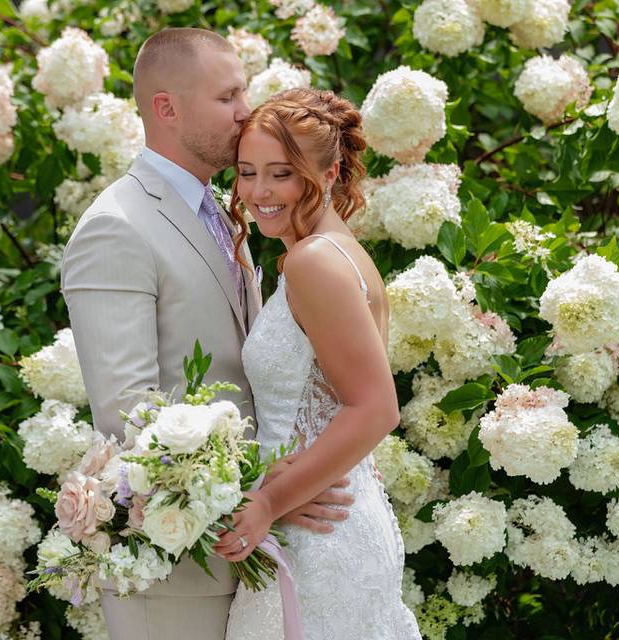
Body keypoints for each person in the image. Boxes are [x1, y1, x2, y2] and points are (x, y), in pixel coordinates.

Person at [60, 30, 353, 640]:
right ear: (167, 108)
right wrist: (269, 496)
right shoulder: (116, 227)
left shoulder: (224, 209)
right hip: (177, 572)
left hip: (252, 551)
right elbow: (128, 412)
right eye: (228, 95)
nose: (247, 109)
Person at [215, 88, 422, 639]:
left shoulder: (314, 263)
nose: (259, 192)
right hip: (325, 515)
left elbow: (375, 408)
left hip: (318, 538)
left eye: (282, 173)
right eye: (247, 171)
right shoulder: (335, 253)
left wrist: (268, 501)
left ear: (330, 173)